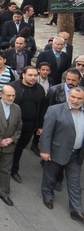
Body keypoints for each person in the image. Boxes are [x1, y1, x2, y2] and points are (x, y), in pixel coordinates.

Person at [40, 86, 84, 223]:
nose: (76, 100)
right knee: (50, 176)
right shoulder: (55, 110)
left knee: (75, 182)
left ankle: (76, 209)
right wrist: (45, 150)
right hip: (56, 151)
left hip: (76, 154)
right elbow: (47, 133)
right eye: (73, 97)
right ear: (68, 96)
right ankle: (47, 195)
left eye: (79, 98)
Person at [8, 66, 46, 184]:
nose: (33, 78)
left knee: (19, 148)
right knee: (8, 146)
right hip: (12, 125)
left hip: (29, 126)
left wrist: (40, 126)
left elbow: (41, 109)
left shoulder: (39, 89)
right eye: (30, 75)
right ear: (23, 75)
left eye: (35, 75)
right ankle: (1, 166)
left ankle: (14, 170)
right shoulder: (13, 87)